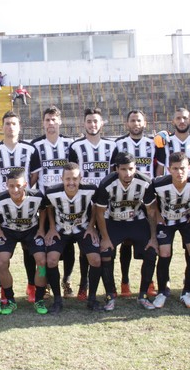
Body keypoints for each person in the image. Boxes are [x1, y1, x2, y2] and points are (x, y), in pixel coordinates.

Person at [93, 152, 159, 310]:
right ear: (116, 169)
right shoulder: (107, 183)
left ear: (135, 168)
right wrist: (105, 238)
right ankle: (110, 295)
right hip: (113, 221)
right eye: (123, 169)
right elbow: (100, 213)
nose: (128, 173)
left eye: (131, 169)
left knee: (151, 251)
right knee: (105, 252)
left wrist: (153, 237)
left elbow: (151, 211)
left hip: (136, 221)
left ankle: (143, 295)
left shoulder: (145, 182)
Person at [143, 151, 190, 309]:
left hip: (186, 220)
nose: (179, 172)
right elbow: (150, 202)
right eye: (175, 168)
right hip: (166, 220)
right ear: (169, 169)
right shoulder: (158, 183)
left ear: (189, 168)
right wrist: (158, 215)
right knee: (164, 253)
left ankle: (187, 292)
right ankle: (162, 292)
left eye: (183, 168)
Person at [68, 107, 116, 299]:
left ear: (101, 123)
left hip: (106, 202)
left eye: (96, 121)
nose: (92, 124)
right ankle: (83, 284)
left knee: (106, 244)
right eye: (89, 121)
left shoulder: (112, 146)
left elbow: (114, 173)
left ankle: (110, 286)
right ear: (84, 124)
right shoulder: (76, 147)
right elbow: (72, 174)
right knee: (85, 246)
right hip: (85, 203)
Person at [42, 163, 102, 312]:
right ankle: (57, 300)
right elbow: (48, 207)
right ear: (62, 179)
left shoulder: (90, 189)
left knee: (95, 259)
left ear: (80, 178)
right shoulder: (51, 192)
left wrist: (91, 226)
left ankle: (92, 299)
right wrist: (51, 227)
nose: (71, 182)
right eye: (68, 179)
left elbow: (96, 206)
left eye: (75, 178)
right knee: (51, 260)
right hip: (61, 230)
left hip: (83, 229)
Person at [0, 168, 49, 315]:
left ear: (25, 185)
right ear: (6, 186)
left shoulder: (37, 196)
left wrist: (41, 229)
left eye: (19, 186)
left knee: (41, 261)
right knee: (1, 261)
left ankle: (39, 298)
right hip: (8, 231)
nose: (15, 190)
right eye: (11, 186)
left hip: (31, 230)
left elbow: (44, 209)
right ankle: (10, 299)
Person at [111, 109, 158, 297]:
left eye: (139, 120)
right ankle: (125, 281)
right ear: (127, 123)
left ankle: (150, 281)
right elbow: (113, 170)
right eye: (132, 120)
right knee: (126, 242)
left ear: (144, 123)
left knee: (149, 240)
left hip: (147, 196)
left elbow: (159, 166)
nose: (136, 123)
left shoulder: (154, 143)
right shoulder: (118, 144)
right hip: (125, 196)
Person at [30, 106, 74, 296]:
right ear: (43, 123)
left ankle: (67, 281)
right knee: (41, 248)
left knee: (68, 245)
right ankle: (43, 283)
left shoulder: (70, 144)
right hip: (43, 205)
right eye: (47, 120)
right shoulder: (35, 145)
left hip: (65, 204)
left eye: (54, 119)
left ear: (60, 121)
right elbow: (33, 175)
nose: (50, 123)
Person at [154, 107, 190, 177]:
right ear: (173, 122)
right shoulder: (165, 141)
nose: (182, 121)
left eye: (185, 118)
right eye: (178, 118)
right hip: (170, 183)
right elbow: (160, 168)